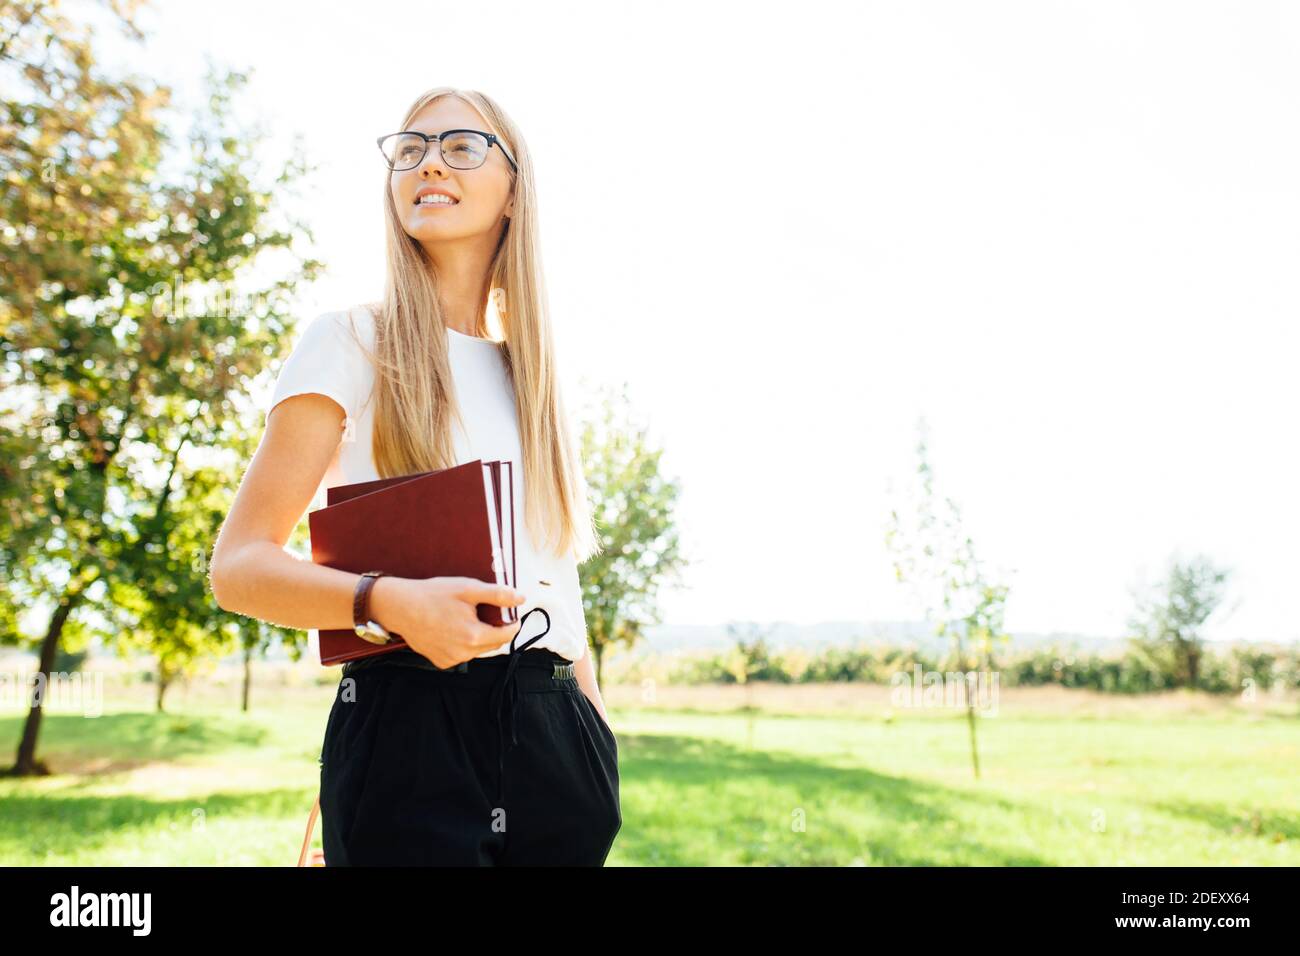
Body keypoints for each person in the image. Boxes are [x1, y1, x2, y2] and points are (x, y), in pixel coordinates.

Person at [209, 87, 620, 866]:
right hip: (411, 725)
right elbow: (238, 569)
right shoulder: (347, 342)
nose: (429, 160)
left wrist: (594, 740)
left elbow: (557, 586)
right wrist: (388, 601)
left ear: (514, 190)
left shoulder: (528, 376)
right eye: (410, 148)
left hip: (557, 735)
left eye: (462, 145)